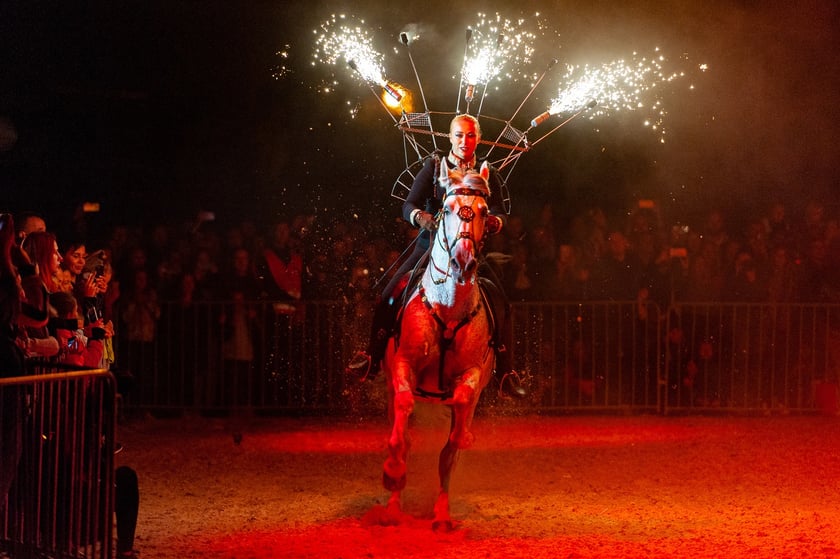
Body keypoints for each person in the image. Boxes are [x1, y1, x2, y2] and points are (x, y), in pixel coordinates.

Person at [346, 113, 527, 398]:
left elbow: (502, 210)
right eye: (458, 135)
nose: (464, 141)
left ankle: (506, 371)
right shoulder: (433, 167)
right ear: (450, 137)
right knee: (391, 293)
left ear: (478, 138)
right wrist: (421, 218)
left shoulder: (487, 171)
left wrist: (495, 221)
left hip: (473, 251)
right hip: (430, 247)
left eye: (470, 135)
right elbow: (409, 205)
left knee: (502, 302)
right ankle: (372, 356)